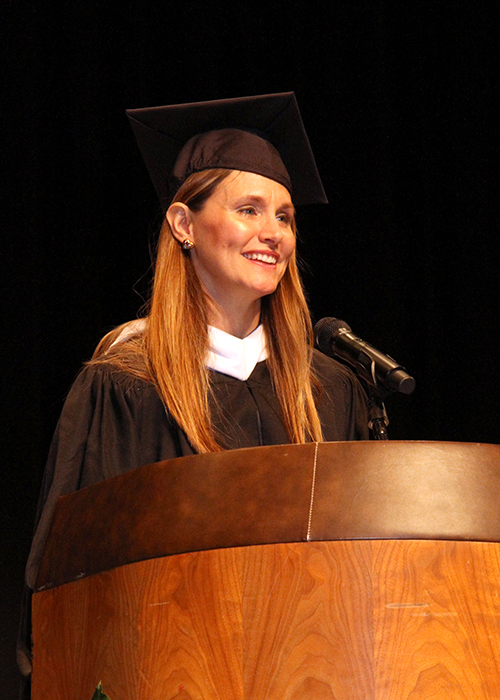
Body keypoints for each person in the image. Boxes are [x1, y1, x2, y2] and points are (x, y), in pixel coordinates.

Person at [18, 92, 369, 696]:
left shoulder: (329, 389)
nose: (273, 234)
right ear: (184, 225)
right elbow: (68, 581)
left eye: (284, 217)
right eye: (250, 210)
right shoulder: (125, 386)